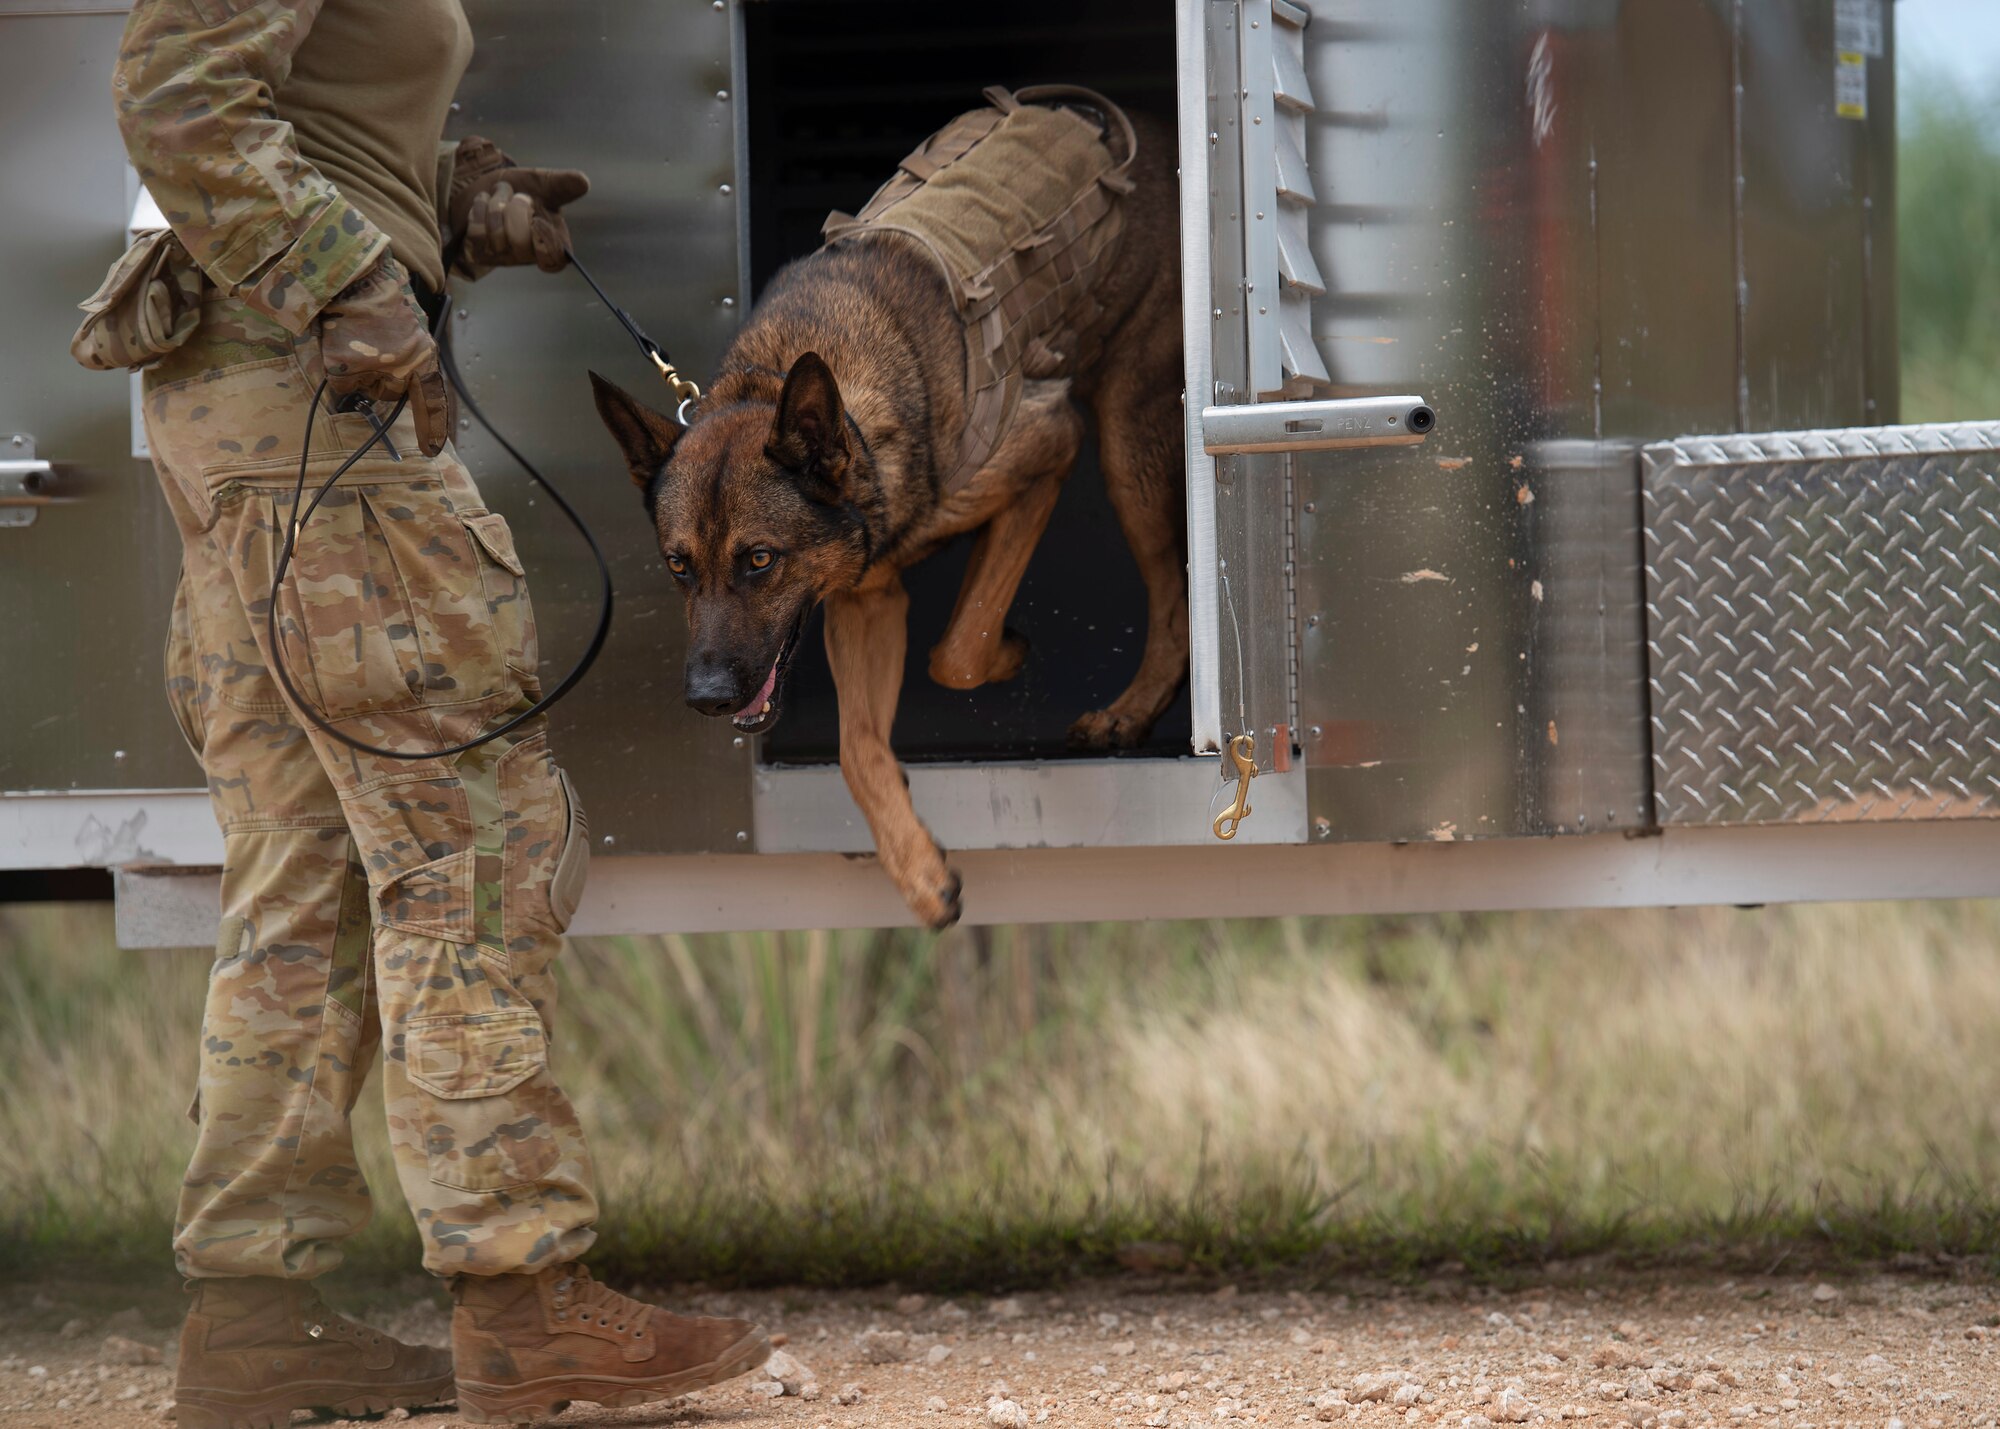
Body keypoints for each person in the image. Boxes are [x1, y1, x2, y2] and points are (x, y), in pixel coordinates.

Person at [104, 3, 771, 1425]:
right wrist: (352, 274)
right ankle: (525, 1302)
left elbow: (311, 115)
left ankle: (252, 1319)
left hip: (255, 403)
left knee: (313, 865)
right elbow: (174, 93)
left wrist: (461, 206)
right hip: (311, 408)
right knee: (469, 841)